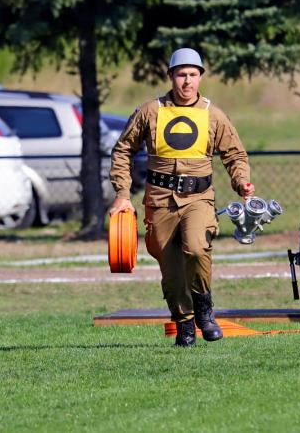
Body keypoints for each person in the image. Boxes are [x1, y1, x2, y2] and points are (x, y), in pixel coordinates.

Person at [109, 48, 255, 347]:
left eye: (192, 74)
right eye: (181, 75)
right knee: (172, 270)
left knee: (197, 248)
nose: (187, 81)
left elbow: (235, 154)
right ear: (171, 77)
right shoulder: (150, 111)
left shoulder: (213, 115)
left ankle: (204, 309)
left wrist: (241, 180)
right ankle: (185, 324)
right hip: (160, 200)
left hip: (199, 198)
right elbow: (123, 150)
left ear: (200, 77)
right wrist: (122, 194)